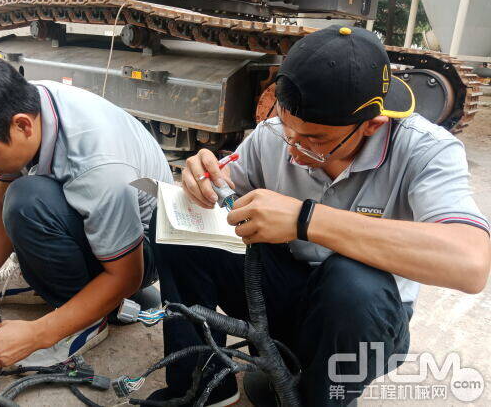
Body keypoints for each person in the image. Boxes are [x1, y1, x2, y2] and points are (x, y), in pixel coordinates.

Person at [148, 26, 490, 406]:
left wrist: (305, 219)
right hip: (283, 291)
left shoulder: (426, 151)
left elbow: (470, 262)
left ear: (373, 124)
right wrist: (203, 183)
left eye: (315, 141)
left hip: (362, 320)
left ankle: (322, 394)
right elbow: (226, 186)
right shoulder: (277, 134)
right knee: (174, 222)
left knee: (352, 285)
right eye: (288, 132)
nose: (294, 151)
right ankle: (199, 387)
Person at [0, 53, 173, 367]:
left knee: (28, 200)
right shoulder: (20, 105)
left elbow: (126, 277)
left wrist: (38, 334)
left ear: (22, 125)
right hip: (99, 220)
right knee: (10, 181)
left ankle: (87, 324)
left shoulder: (99, 166)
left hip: (145, 250)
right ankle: (43, 276)